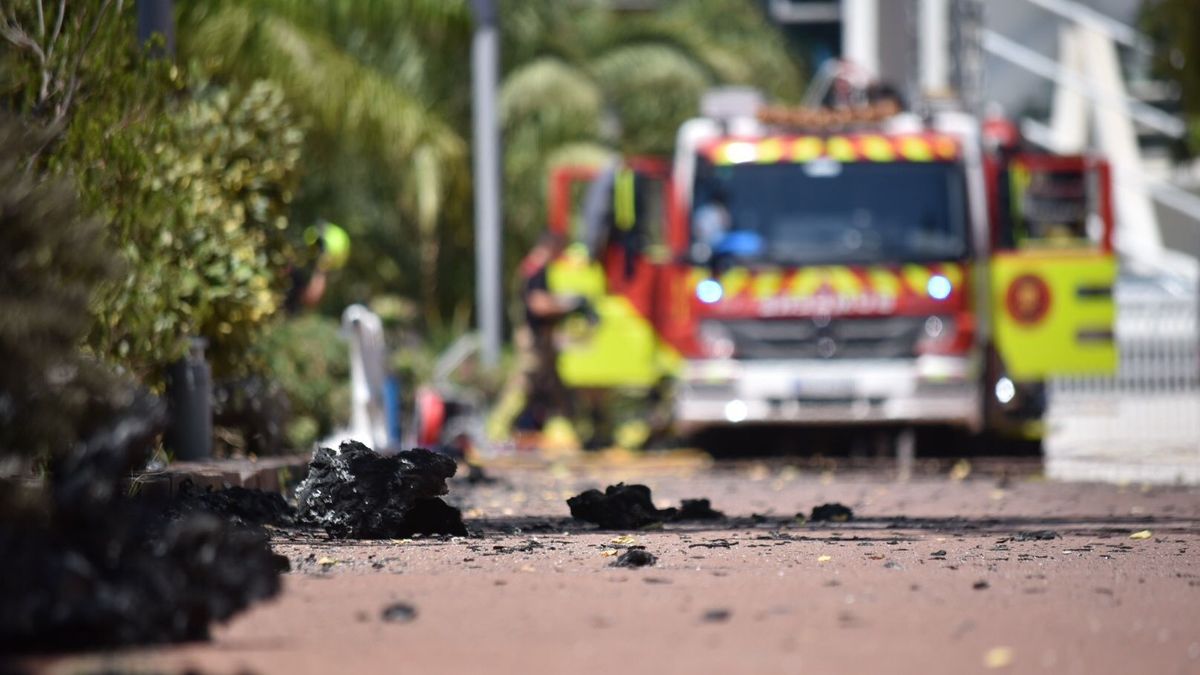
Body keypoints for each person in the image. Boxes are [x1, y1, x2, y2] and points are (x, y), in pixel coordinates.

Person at [514, 232, 585, 433]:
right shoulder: (536, 269)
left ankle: (574, 430)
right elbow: (538, 304)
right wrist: (568, 303)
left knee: (557, 387)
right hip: (533, 339)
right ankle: (496, 430)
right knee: (523, 386)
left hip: (543, 339)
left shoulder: (536, 267)